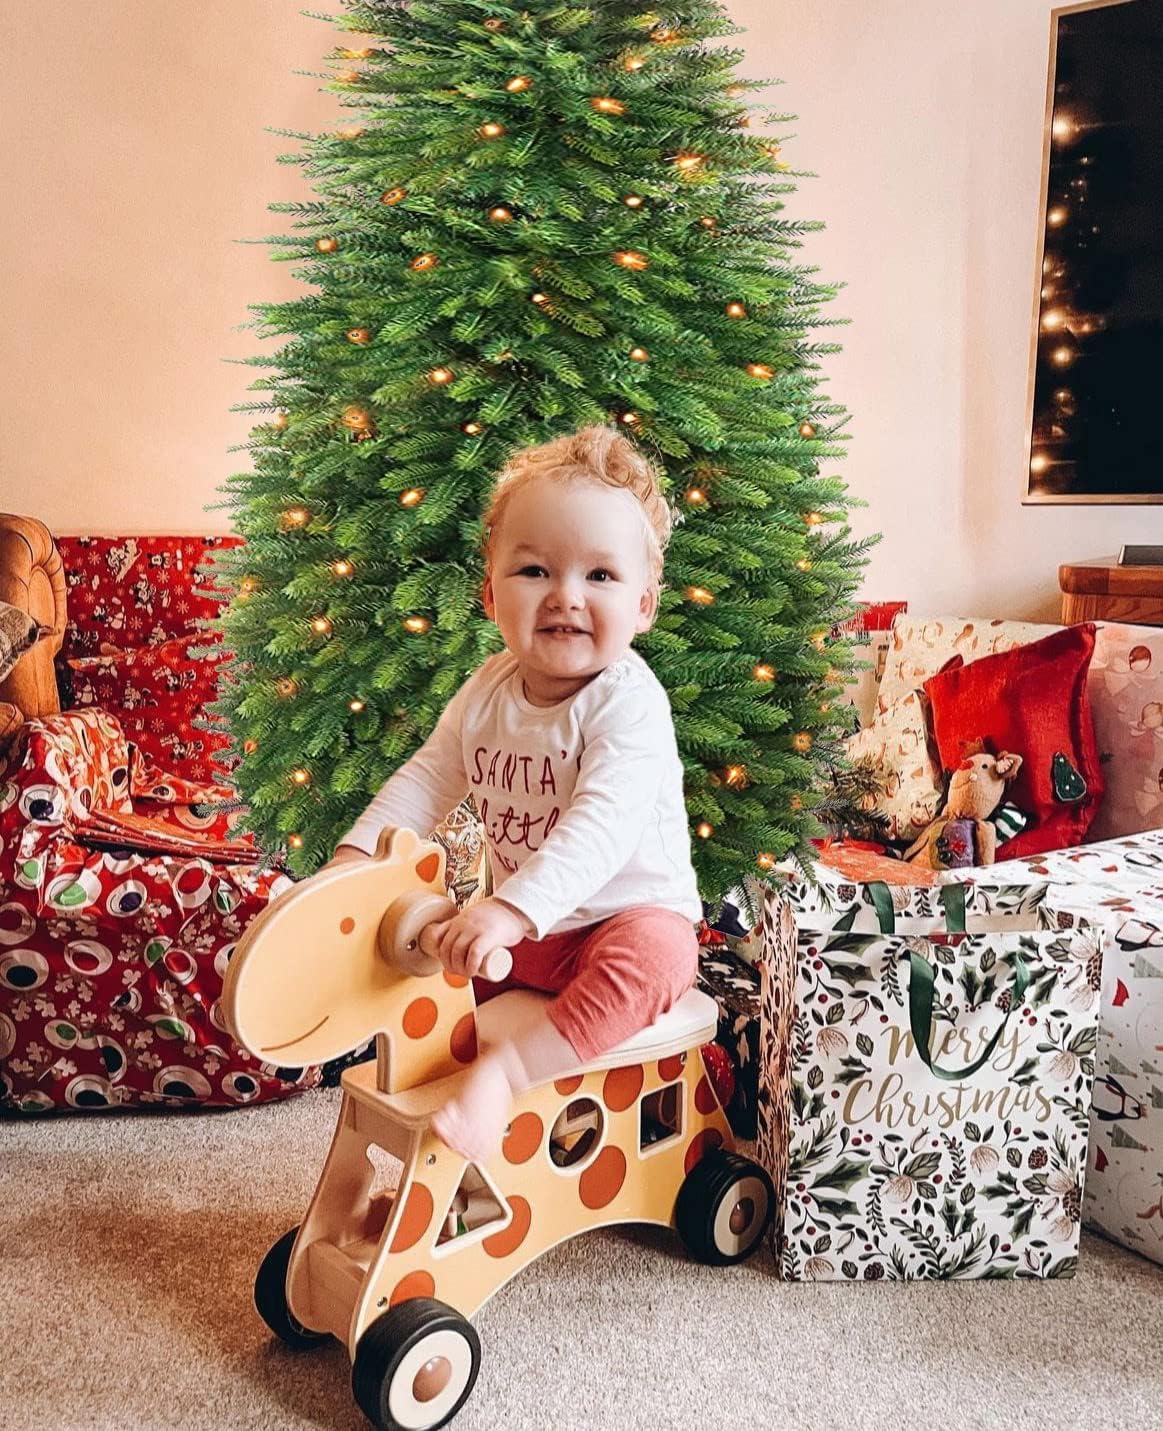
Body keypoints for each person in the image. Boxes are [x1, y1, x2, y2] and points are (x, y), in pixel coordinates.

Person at [332, 425, 701, 1162]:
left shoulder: (627, 702)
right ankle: (455, 1115)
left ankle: (510, 1073)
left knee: (661, 955)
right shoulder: (487, 689)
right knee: (441, 954)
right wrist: (353, 861)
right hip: (532, 935)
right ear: (489, 591)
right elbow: (428, 778)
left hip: (619, 920)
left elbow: (600, 826)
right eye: (535, 570)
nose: (566, 596)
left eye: (600, 576)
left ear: (644, 606)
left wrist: (507, 909)